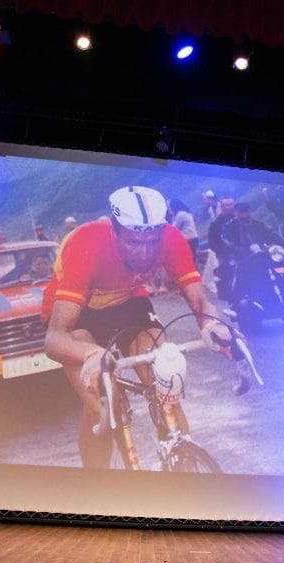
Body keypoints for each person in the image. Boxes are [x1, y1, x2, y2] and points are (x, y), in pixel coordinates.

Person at [42, 185, 234, 468]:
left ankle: (185, 467)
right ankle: (94, 485)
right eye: (133, 242)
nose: (145, 253)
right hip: (79, 314)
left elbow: (201, 303)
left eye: (152, 242)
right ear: (114, 231)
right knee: (103, 402)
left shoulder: (171, 238)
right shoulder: (87, 243)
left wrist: (212, 325)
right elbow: (55, 339)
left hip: (128, 302)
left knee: (165, 381)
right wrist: (90, 354)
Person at [208, 200, 284, 302]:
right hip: (239, 256)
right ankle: (235, 300)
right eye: (240, 211)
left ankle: (278, 291)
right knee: (234, 273)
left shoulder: (257, 224)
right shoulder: (230, 226)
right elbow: (226, 240)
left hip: (259, 254)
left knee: (276, 262)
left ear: (249, 212)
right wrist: (239, 248)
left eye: (245, 211)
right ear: (236, 212)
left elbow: (270, 235)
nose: (243, 213)